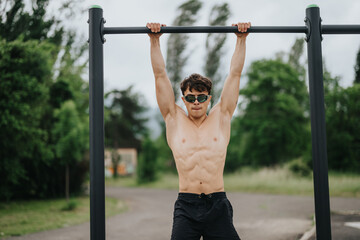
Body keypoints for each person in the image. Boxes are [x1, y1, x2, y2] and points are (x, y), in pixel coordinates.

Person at [147, 21, 250, 240]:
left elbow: (235, 74)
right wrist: (154, 39)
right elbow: (159, 75)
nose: (196, 102)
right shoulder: (173, 119)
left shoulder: (222, 117)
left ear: (208, 99)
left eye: (201, 97)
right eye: (191, 98)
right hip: (187, 205)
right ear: (183, 99)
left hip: (218, 205)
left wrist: (241, 39)